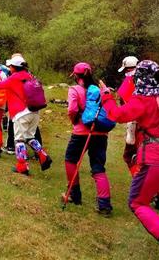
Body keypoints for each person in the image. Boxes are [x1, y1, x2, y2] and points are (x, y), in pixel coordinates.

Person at [103, 60, 159, 260]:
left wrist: (106, 96)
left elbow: (117, 115)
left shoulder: (143, 99)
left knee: (137, 202)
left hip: (154, 161)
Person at [0, 55, 52, 175]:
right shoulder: (30, 75)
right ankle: (43, 156)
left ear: (15, 67)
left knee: (19, 140)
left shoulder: (14, 78)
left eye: (11, 66)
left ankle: (22, 166)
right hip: (34, 111)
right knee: (30, 137)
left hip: (21, 113)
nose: (9, 67)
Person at [64, 62, 113, 215]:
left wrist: (75, 121)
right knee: (98, 166)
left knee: (71, 160)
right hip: (100, 132)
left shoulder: (74, 90)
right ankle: (104, 204)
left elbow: (72, 109)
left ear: (76, 76)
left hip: (81, 132)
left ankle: (74, 195)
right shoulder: (99, 90)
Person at [117, 55, 140, 176]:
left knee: (129, 156)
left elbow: (124, 107)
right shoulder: (148, 79)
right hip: (153, 126)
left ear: (127, 69)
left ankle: (140, 182)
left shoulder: (130, 81)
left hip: (135, 124)